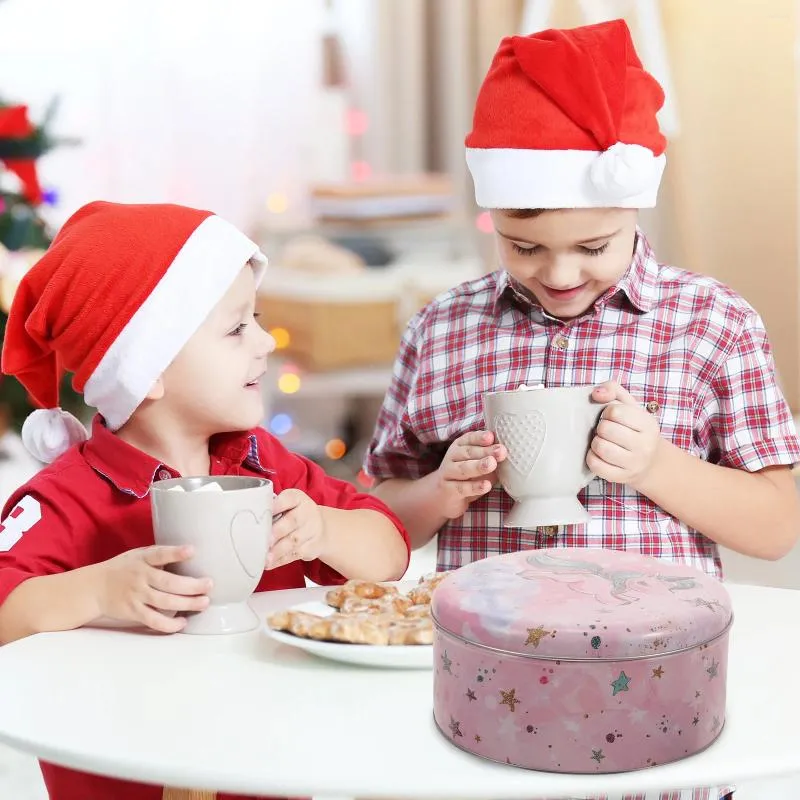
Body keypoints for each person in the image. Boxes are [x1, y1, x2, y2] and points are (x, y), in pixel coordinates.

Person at [365, 19, 800, 800]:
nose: (559, 274)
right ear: (494, 220)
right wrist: (445, 490)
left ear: (635, 210)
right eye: (524, 247)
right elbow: (373, 518)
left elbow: (776, 528)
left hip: (658, 693)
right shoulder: (444, 328)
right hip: (482, 697)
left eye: (594, 246)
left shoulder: (714, 323)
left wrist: (658, 466)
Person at [0, 200, 410, 800]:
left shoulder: (263, 462)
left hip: (270, 771)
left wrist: (323, 529)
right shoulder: (63, 500)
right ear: (148, 368)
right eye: (237, 327)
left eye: (257, 318)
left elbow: (390, 551)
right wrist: (99, 590)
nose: (267, 342)